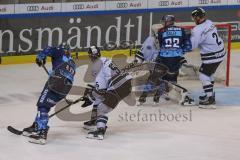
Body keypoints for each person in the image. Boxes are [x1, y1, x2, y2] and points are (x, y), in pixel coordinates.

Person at [22, 43, 76, 145]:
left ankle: (42, 133)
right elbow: (65, 73)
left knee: (42, 105)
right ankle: (36, 126)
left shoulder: (60, 51)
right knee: (45, 104)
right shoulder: (72, 62)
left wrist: (40, 57)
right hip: (66, 88)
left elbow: (48, 48)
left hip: (56, 82)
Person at [138, 15, 192, 105]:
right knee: (169, 80)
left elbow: (159, 46)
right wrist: (179, 52)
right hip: (176, 59)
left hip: (164, 59)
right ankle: (157, 97)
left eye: (164, 21)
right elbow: (188, 47)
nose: (162, 23)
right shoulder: (182, 30)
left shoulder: (161, 31)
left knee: (153, 78)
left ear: (168, 21)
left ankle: (142, 98)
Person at [82, 45, 132, 140]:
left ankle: (100, 131)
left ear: (90, 56)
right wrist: (91, 93)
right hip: (127, 83)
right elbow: (99, 82)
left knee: (101, 108)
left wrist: (89, 98)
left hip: (117, 86)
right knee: (100, 99)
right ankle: (94, 120)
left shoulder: (96, 65)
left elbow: (101, 89)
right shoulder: (106, 60)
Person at [191, 7, 226, 108]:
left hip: (212, 56)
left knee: (203, 75)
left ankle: (210, 100)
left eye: (194, 17)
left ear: (197, 17)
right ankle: (209, 94)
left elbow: (193, 45)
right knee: (209, 73)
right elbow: (205, 36)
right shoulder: (210, 22)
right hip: (221, 53)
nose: (194, 20)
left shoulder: (197, 29)